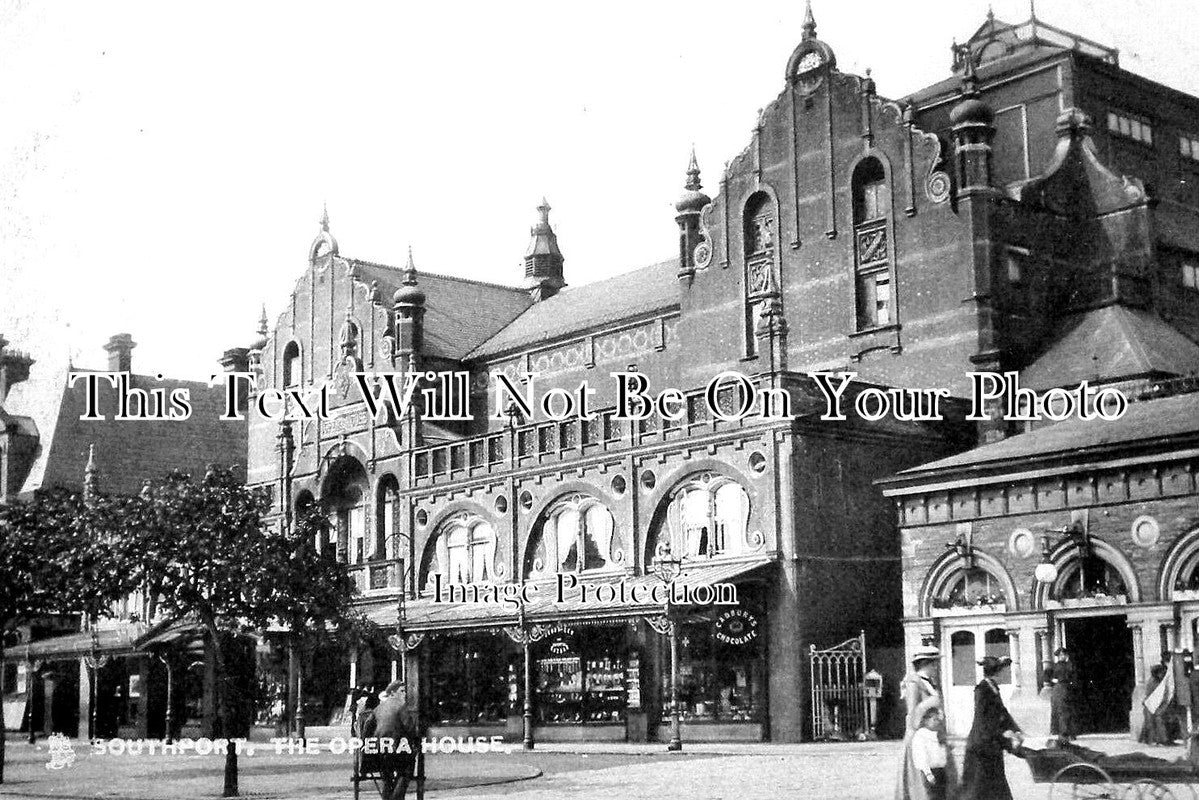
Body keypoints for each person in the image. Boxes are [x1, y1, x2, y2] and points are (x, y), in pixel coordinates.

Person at [959, 656, 1024, 800]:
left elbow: (1002, 712)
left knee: (995, 785)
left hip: (991, 743)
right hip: (981, 745)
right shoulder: (982, 690)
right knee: (978, 788)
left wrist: (1015, 729)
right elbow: (982, 720)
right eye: (1002, 671)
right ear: (998, 672)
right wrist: (1002, 733)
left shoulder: (992, 687)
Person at [895, 645, 954, 800]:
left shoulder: (931, 682)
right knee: (923, 783)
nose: (936, 667)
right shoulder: (914, 682)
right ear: (925, 664)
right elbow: (912, 714)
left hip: (935, 736)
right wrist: (929, 703)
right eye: (933, 663)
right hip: (920, 737)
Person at [910, 699, 954, 800]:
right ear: (925, 720)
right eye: (934, 719)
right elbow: (921, 756)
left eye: (938, 720)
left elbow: (942, 753)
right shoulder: (921, 736)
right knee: (933, 795)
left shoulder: (937, 735)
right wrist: (928, 773)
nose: (937, 722)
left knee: (943, 795)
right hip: (930, 771)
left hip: (941, 770)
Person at [1140, 664, 1175, 746]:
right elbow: (1153, 696)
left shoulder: (1160, 682)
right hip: (1153, 707)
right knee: (1154, 722)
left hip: (1159, 706)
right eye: (1161, 673)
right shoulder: (1152, 682)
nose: (1162, 674)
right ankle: (1160, 740)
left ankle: (1165, 739)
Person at [1049, 648, 1078, 741]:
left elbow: (1072, 676)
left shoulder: (1069, 665)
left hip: (1066, 689)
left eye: (1063, 655)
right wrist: (1053, 680)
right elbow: (1048, 676)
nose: (1062, 656)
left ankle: (1069, 733)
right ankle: (1063, 733)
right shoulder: (1055, 666)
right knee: (1060, 711)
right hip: (1058, 690)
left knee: (1067, 711)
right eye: (1060, 655)